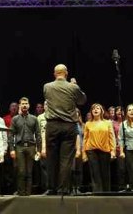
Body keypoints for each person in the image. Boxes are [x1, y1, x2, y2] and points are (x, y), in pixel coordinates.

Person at [43, 64, 87, 195]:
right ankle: (64, 189)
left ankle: (52, 188)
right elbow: (82, 101)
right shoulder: (72, 87)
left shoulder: (47, 86)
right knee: (66, 159)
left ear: (54, 73)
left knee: (52, 158)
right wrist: (75, 85)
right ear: (66, 73)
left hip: (52, 125)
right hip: (68, 126)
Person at [9, 97, 41, 196]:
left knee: (29, 172)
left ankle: (28, 193)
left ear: (29, 105)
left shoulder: (34, 119)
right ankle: (21, 193)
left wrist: (39, 150)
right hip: (19, 147)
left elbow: (38, 134)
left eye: (26, 103)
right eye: (22, 103)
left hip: (31, 146)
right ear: (19, 105)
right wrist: (12, 149)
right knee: (21, 171)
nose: (24, 105)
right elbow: (11, 135)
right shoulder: (15, 119)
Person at [82, 103, 115, 193]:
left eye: (97, 108)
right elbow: (85, 139)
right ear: (91, 112)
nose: (95, 110)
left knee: (105, 173)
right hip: (91, 150)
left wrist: (113, 151)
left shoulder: (107, 122)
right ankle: (97, 193)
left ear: (101, 111)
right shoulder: (88, 124)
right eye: (93, 109)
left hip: (105, 150)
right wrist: (84, 153)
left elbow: (111, 137)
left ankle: (106, 193)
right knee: (95, 173)